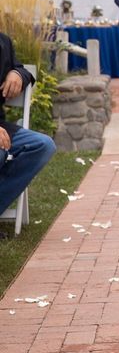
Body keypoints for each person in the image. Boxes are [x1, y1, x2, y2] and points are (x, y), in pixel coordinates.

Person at [0, 32, 56, 237]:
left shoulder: (3, 41)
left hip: (2, 129)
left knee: (43, 146)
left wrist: (16, 73)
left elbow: (22, 70)